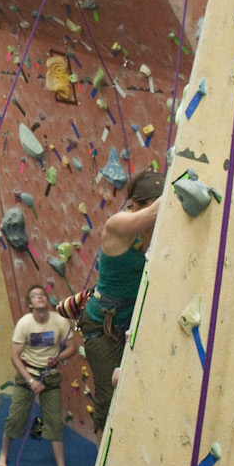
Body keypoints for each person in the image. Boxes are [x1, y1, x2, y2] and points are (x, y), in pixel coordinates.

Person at [76, 171, 166, 432]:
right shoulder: (119, 225)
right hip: (101, 326)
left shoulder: (156, 231)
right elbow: (153, 213)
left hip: (129, 324)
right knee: (109, 398)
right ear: (136, 204)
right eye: (152, 204)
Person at [0, 285, 78, 466]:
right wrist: (31, 381)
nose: (39, 297)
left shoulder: (60, 321)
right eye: (35, 295)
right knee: (16, 417)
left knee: (54, 423)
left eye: (42, 294)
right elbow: (15, 356)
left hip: (50, 377)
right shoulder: (24, 324)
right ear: (29, 304)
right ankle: (3, 454)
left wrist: (58, 357)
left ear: (46, 299)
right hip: (28, 375)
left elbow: (73, 348)